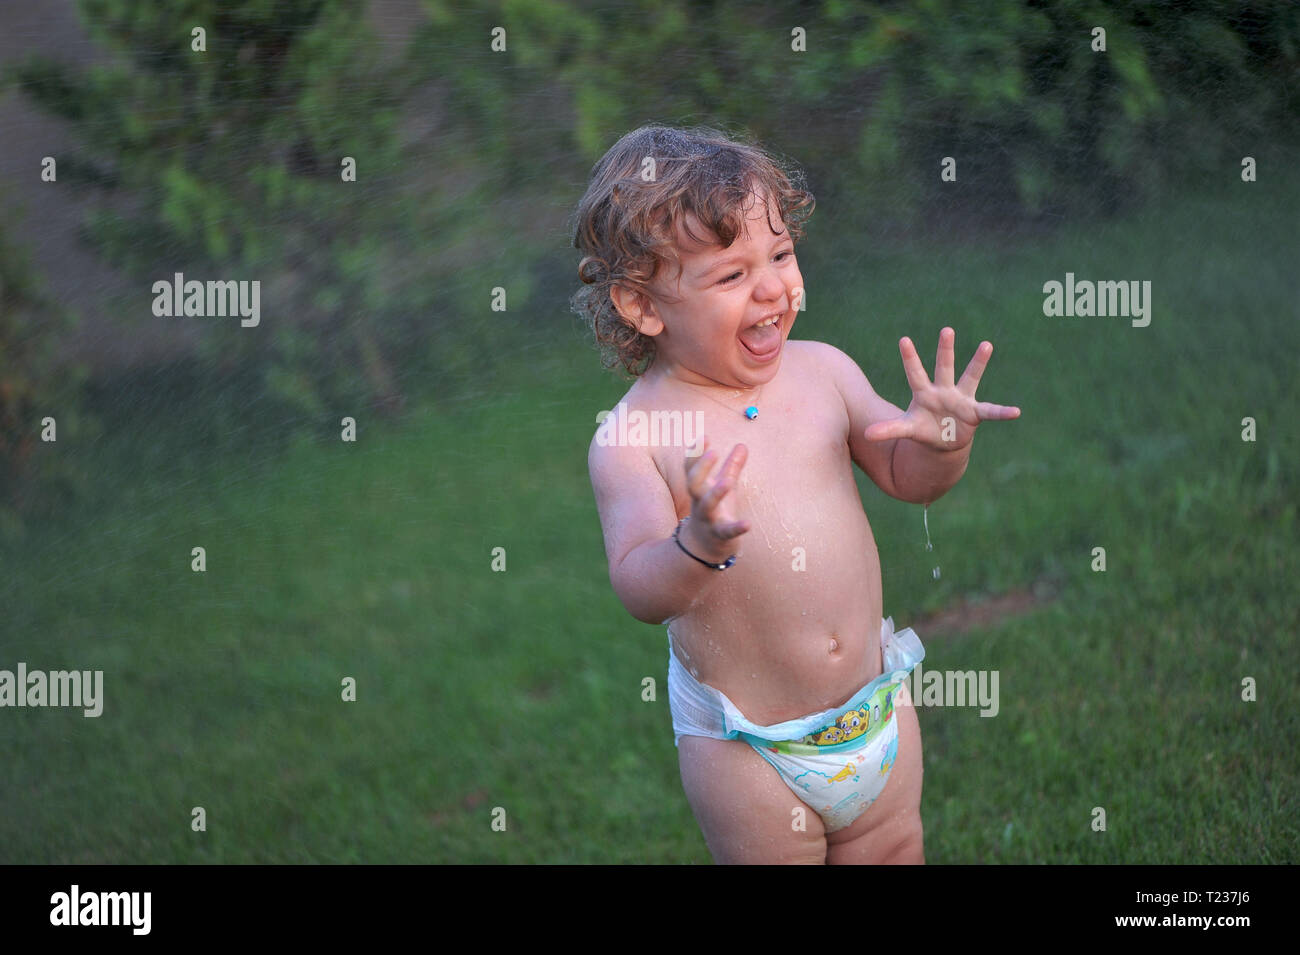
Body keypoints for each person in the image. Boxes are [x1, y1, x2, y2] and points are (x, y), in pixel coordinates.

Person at [572, 124, 1020, 864]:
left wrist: (945, 441)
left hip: (875, 708)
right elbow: (638, 584)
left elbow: (911, 478)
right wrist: (695, 546)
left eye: (780, 254)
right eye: (731, 275)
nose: (776, 286)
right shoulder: (633, 438)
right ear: (643, 306)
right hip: (749, 750)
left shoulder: (825, 373)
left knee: (895, 847)